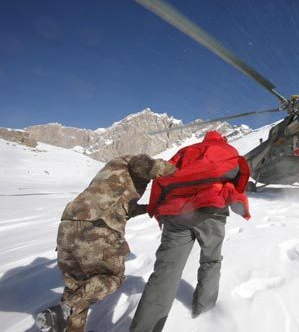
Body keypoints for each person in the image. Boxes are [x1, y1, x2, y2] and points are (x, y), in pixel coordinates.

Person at [35, 154, 176, 332]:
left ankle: (65, 320)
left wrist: (150, 207)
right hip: (96, 229)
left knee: (77, 287)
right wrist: (177, 172)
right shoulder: (128, 162)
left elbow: (123, 208)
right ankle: (66, 308)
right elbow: (143, 165)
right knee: (112, 277)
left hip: (67, 228)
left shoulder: (112, 179)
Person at [130, 131, 250, 332]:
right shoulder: (227, 150)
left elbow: (161, 179)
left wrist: (157, 210)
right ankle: (203, 312)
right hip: (211, 211)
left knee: (166, 272)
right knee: (211, 260)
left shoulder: (185, 152)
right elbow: (239, 178)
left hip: (176, 214)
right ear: (222, 139)